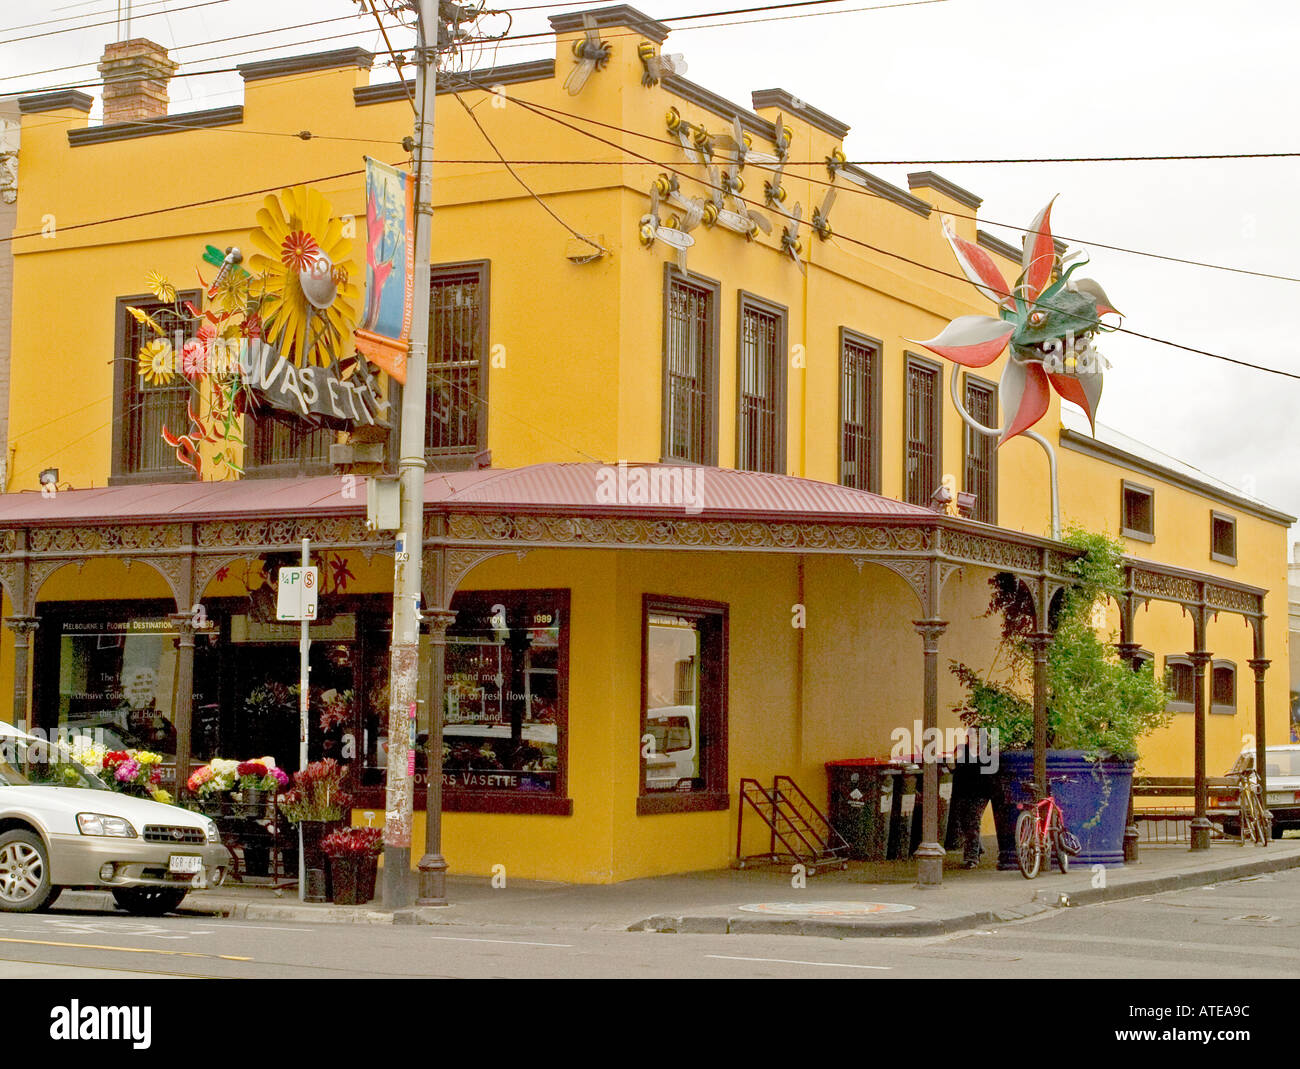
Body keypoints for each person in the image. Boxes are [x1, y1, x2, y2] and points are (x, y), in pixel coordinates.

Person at [950, 733, 995, 868]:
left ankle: (972, 857)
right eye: (969, 736)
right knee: (964, 822)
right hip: (963, 791)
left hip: (980, 792)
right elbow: (955, 769)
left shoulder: (987, 754)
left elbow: (989, 773)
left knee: (972, 820)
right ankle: (978, 847)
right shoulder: (962, 750)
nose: (970, 739)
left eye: (974, 736)